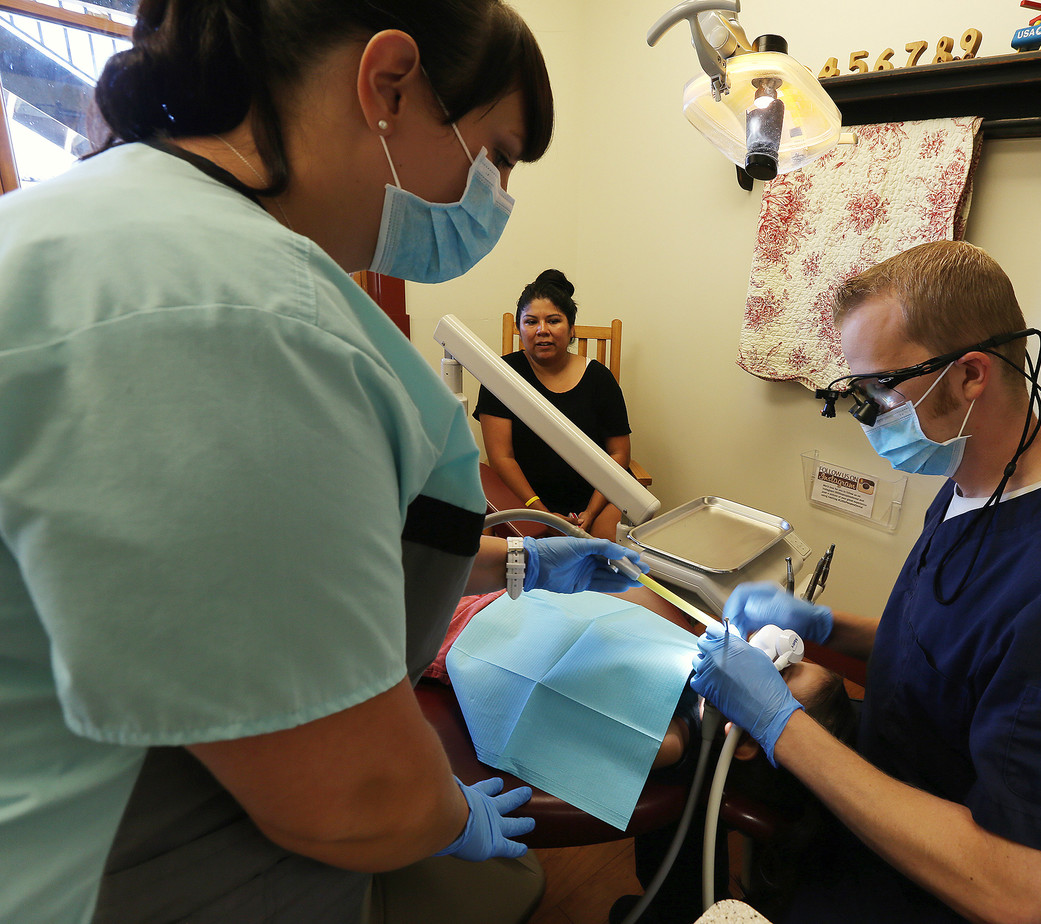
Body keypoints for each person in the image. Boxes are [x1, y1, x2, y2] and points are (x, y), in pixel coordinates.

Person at [0, 2, 646, 922]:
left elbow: (275, 554)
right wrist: (446, 810)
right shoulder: (243, 315)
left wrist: (515, 562)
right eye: (498, 156)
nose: (498, 195)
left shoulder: (102, 229)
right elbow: (354, 796)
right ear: (389, 85)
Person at [690, 241, 1041, 923]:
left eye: (876, 391)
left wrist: (780, 725)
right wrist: (824, 626)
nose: (866, 415)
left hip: (940, 890)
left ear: (970, 376)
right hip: (890, 791)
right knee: (692, 756)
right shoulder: (971, 486)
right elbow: (956, 648)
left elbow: (1013, 890)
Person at [475, 269, 633, 540]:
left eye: (553, 321)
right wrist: (540, 512)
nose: (542, 331)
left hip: (597, 497)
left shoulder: (599, 378)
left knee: (607, 559)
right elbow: (502, 457)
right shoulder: (500, 375)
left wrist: (591, 513)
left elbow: (618, 454)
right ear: (519, 328)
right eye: (531, 321)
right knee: (518, 564)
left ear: (571, 328)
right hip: (524, 496)